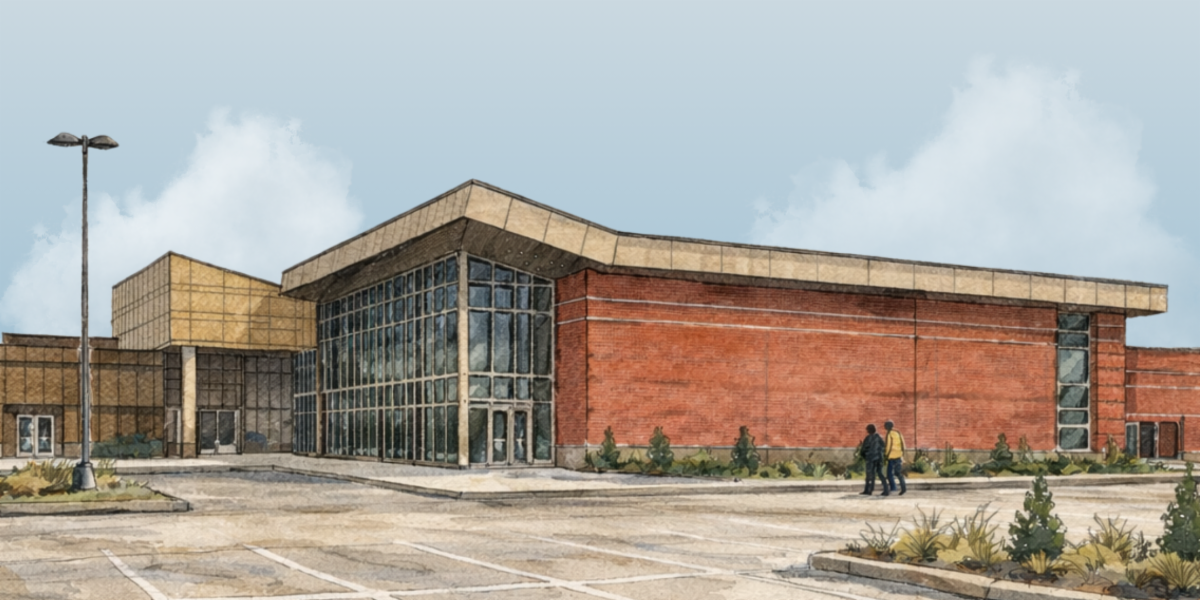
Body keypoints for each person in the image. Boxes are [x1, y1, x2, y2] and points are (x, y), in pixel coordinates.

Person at [858, 424, 886, 496]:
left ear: (869, 430)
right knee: (880, 474)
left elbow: (863, 449)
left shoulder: (868, 438)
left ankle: (868, 490)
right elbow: (884, 447)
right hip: (879, 458)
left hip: (870, 458)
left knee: (869, 475)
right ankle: (886, 489)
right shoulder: (880, 437)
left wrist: (864, 455)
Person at [884, 420, 907, 496]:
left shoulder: (889, 434)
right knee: (898, 473)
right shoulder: (898, 432)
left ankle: (893, 488)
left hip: (891, 457)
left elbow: (888, 446)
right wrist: (902, 454)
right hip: (899, 456)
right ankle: (903, 488)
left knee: (889, 474)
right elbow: (903, 444)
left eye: (885, 426)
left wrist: (886, 455)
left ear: (887, 427)